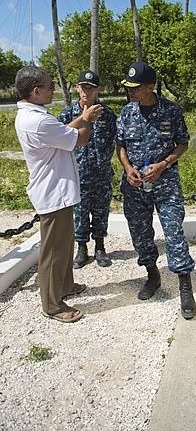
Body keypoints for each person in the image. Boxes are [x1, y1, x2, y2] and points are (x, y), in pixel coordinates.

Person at [14, 66, 103, 322]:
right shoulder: (38, 120)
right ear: (36, 90)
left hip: (58, 191)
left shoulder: (36, 116)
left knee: (64, 245)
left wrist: (82, 117)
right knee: (53, 252)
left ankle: (65, 286)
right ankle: (52, 305)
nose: (54, 89)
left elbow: (63, 131)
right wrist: (88, 119)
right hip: (52, 193)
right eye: (51, 85)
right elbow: (79, 139)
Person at [116, 61, 196, 320]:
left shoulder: (171, 111)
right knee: (140, 234)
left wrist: (163, 164)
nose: (131, 92)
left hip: (165, 183)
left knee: (173, 232)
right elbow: (121, 146)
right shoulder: (127, 112)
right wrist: (127, 168)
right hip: (134, 186)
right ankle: (152, 275)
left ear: (151, 86)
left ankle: (185, 285)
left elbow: (182, 143)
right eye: (129, 88)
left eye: (136, 88)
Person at [59, 70, 117, 269]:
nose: (86, 92)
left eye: (91, 88)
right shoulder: (68, 113)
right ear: (77, 88)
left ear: (97, 90)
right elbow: (60, 137)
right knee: (80, 212)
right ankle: (81, 248)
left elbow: (116, 141)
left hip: (101, 173)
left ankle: (100, 247)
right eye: (83, 87)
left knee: (101, 210)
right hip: (77, 173)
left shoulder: (107, 114)